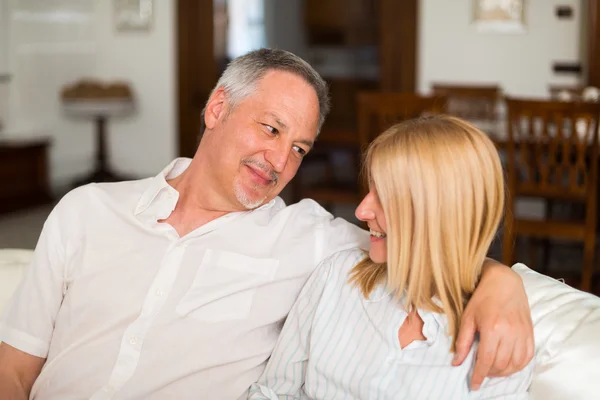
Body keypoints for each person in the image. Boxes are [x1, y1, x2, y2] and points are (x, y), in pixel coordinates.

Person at [0, 49, 532, 400]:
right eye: (270, 128)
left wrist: (500, 282)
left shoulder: (311, 241)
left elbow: (425, 237)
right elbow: (16, 368)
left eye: (298, 147)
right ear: (216, 109)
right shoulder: (87, 210)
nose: (279, 160)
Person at [249, 116, 535, 399]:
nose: (361, 211)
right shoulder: (335, 277)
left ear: (439, 213)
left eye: (385, 196)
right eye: (370, 189)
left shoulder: (501, 336)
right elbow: (273, 392)